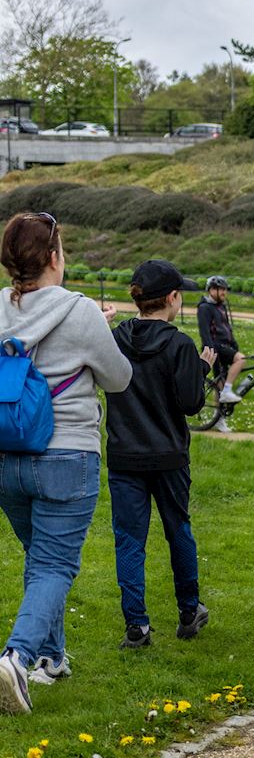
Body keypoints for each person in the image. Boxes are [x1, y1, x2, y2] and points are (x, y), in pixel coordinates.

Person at [0, 212, 132, 713]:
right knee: (54, 564)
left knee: (39, 560)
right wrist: (99, 330)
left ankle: (51, 659)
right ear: (55, 257)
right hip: (66, 455)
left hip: (7, 458)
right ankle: (17, 658)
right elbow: (119, 378)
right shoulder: (79, 311)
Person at [105, 260, 216, 651]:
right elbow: (190, 404)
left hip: (124, 455)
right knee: (177, 531)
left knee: (129, 541)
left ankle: (137, 626)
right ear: (172, 298)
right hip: (168, 455)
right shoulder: (181, 345)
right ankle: (189, 610)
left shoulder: (116, 338)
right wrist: (201, 369)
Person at [197, 276, 246, 423]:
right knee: (240, 359)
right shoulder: (205, 308)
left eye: (225, 289)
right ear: (212, 290)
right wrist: (210, 349)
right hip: (215, 347)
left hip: (225, 345)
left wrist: (234, 343)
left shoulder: (220, 306)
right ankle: (227, 391)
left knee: (220, 382)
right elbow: (204, 331)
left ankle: (218, 420)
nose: (224, 292)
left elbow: (227, 328)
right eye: (221, 289)